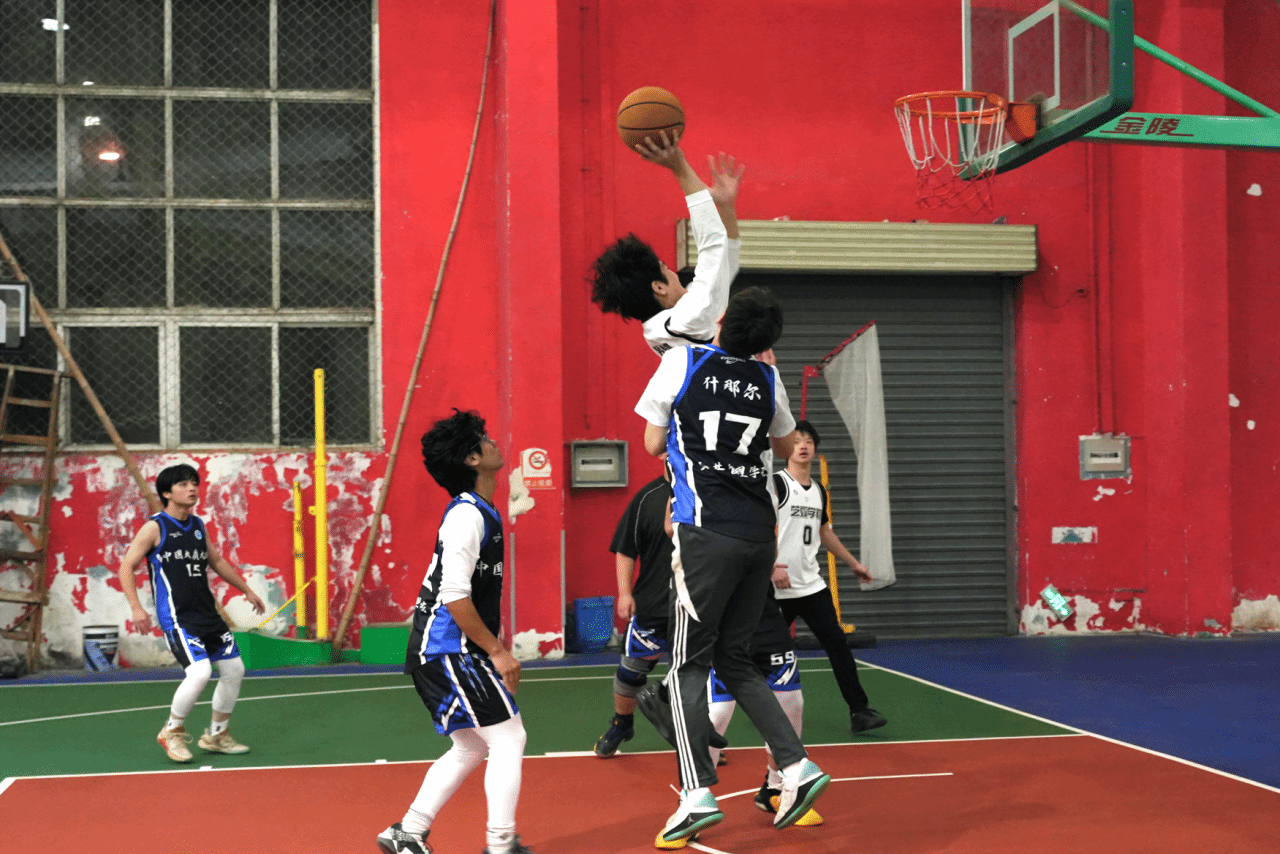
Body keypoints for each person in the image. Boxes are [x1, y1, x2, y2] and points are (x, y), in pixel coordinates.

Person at [635, 285, 830, 843]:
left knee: (685, 666)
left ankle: (696, 793)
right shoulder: (767, 378)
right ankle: (796, 766)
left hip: (706, 531)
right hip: (757, 536)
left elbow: (651, 443)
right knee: (736, 662)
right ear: (767, 341)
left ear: (721, 321)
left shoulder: (683, 361)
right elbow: (785, 443)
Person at [377, 410, 533, 854]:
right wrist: (497, 651)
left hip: (447, 649)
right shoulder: (466, 516)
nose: (492, 441)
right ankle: (500, 843)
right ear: (471, 459)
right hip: (447, 648)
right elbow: (454, 596)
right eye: (483, 438)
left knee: (470, 745)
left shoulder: (481, 511)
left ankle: (408, 831)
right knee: (509, 737)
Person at [118, 463, 266, 764]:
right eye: (184, 484)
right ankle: (171, 731)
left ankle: (217, 735)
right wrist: (136, 607)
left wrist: (246, 589)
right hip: (178, 618)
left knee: (234, 671)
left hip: (207, 614)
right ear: (166, 493)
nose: (192, 489)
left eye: (194, 483)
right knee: (199, 672)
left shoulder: (197, 525)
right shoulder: (155, 527)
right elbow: (126, 567)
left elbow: (217, 560)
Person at [773, 419, 887, 734]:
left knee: (837, 644)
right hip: (777, 587)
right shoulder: (777, 484)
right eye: (797, 440)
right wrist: (771, 566)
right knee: (756, 651)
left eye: (809, 441)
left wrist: (853, 563)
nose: (803, 445)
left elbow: (824, 533)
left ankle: (859, 711)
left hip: (811, 586)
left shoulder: (819, 491)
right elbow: (760, 528)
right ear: (786, 448)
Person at [590, 131, 744, 358]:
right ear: (659, 287)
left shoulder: (662, 328)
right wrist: (679, 166)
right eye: (666, 268)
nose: (673, 272)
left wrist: (726, 207)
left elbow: (724, 264)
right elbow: (713, 244)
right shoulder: (687, 319)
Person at [592, 462, 675, 757]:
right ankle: (621, 723)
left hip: (697, 604)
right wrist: (625, 593)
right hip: (652, 603)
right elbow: (626, 549)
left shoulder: (705, 492)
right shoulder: (646, 498)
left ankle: (697, 734)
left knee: (696, 673)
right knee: (631, 673)